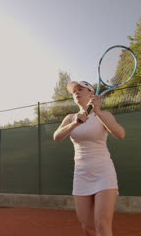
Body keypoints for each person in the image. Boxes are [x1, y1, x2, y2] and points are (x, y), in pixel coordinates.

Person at [53, 81, 126, 236]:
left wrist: (98, 112)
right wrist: (75, 123)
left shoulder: (104, 115)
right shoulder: (70, 117)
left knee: (102, 224)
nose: (76, 92)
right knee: (87, 227)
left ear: (91, 94)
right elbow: (57, 137)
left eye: (80, 89)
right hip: (81, 174)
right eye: (74, 91)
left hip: (104, 173)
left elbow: (120, 134)